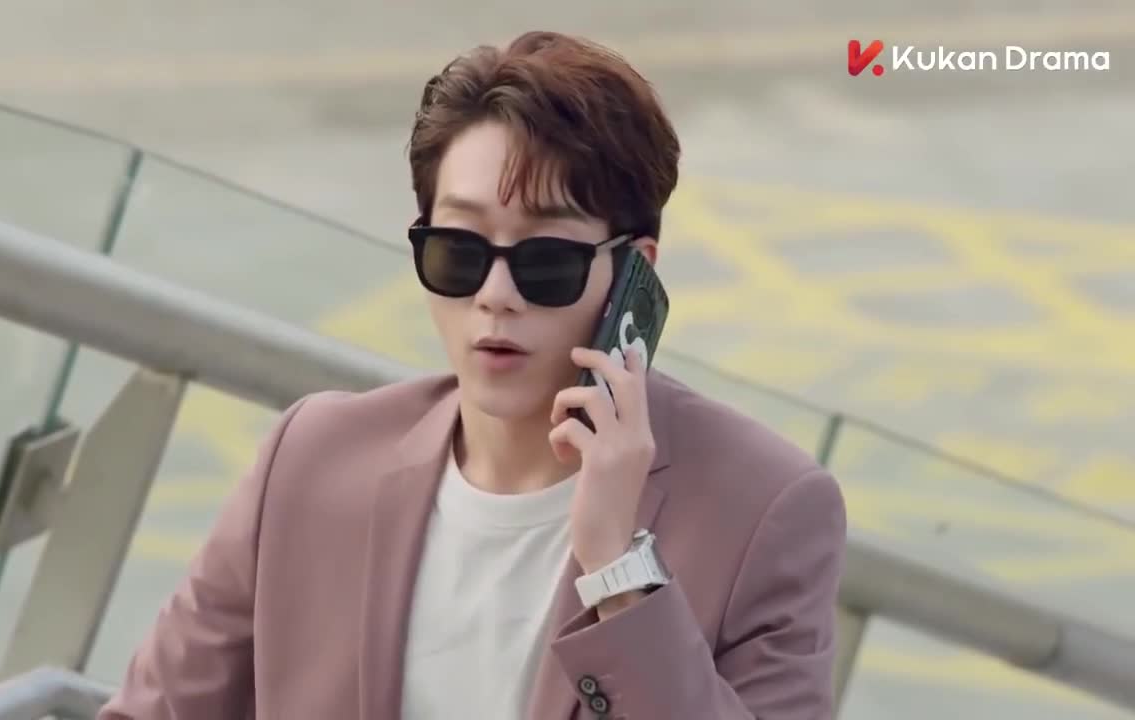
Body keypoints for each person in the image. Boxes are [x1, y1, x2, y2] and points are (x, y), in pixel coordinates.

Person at [100, 30, 846, 720]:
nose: (495, 295)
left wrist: (619, 568)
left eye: (545, 261)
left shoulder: (767, 511)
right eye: (458, 251)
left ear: (634, 276)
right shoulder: (310, 458)